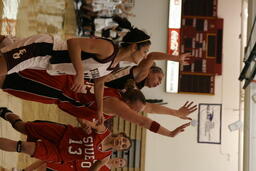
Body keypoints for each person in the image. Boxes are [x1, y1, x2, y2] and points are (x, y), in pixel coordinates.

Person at [0, 26, 151, 124]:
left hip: (45, 64)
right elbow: (74, 43)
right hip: (43, 49)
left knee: (4, 44)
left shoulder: (115, 65)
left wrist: (99, 109)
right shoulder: (109, 49)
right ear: (133, 47)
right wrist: (79, 73)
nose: (145, 56)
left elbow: (99, 84)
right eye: (144, 52)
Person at [1, 69, 194, 137]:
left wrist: (175, 113)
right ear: (128, 103)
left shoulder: (121, 97)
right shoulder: (116, 104)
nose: (133, 113)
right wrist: (169, 133)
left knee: (7, 76)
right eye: (132, 110)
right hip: (56, 88)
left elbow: (149, 107)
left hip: (57, 87)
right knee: (5, 80)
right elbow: (143, 121)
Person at [0, 108, 132, 167]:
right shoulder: (103, 130)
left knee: (24, 147)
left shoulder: (104, 157)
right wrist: (84, 125)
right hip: (62, 133)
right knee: (22, 127)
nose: (121, 143)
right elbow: (82, 119)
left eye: (123, 145)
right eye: (123, 140)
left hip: (60, 154)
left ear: (119, 149)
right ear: (120, 135)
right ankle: (5, 112)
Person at [21, 157, 126, 171]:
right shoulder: (105, 156)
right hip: (73, 159)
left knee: (46, 167)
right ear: (118, 157)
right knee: (46, 160)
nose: (119, 162)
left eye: (120, 164)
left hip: (73, 170)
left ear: (118, 167)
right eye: (120, 160)